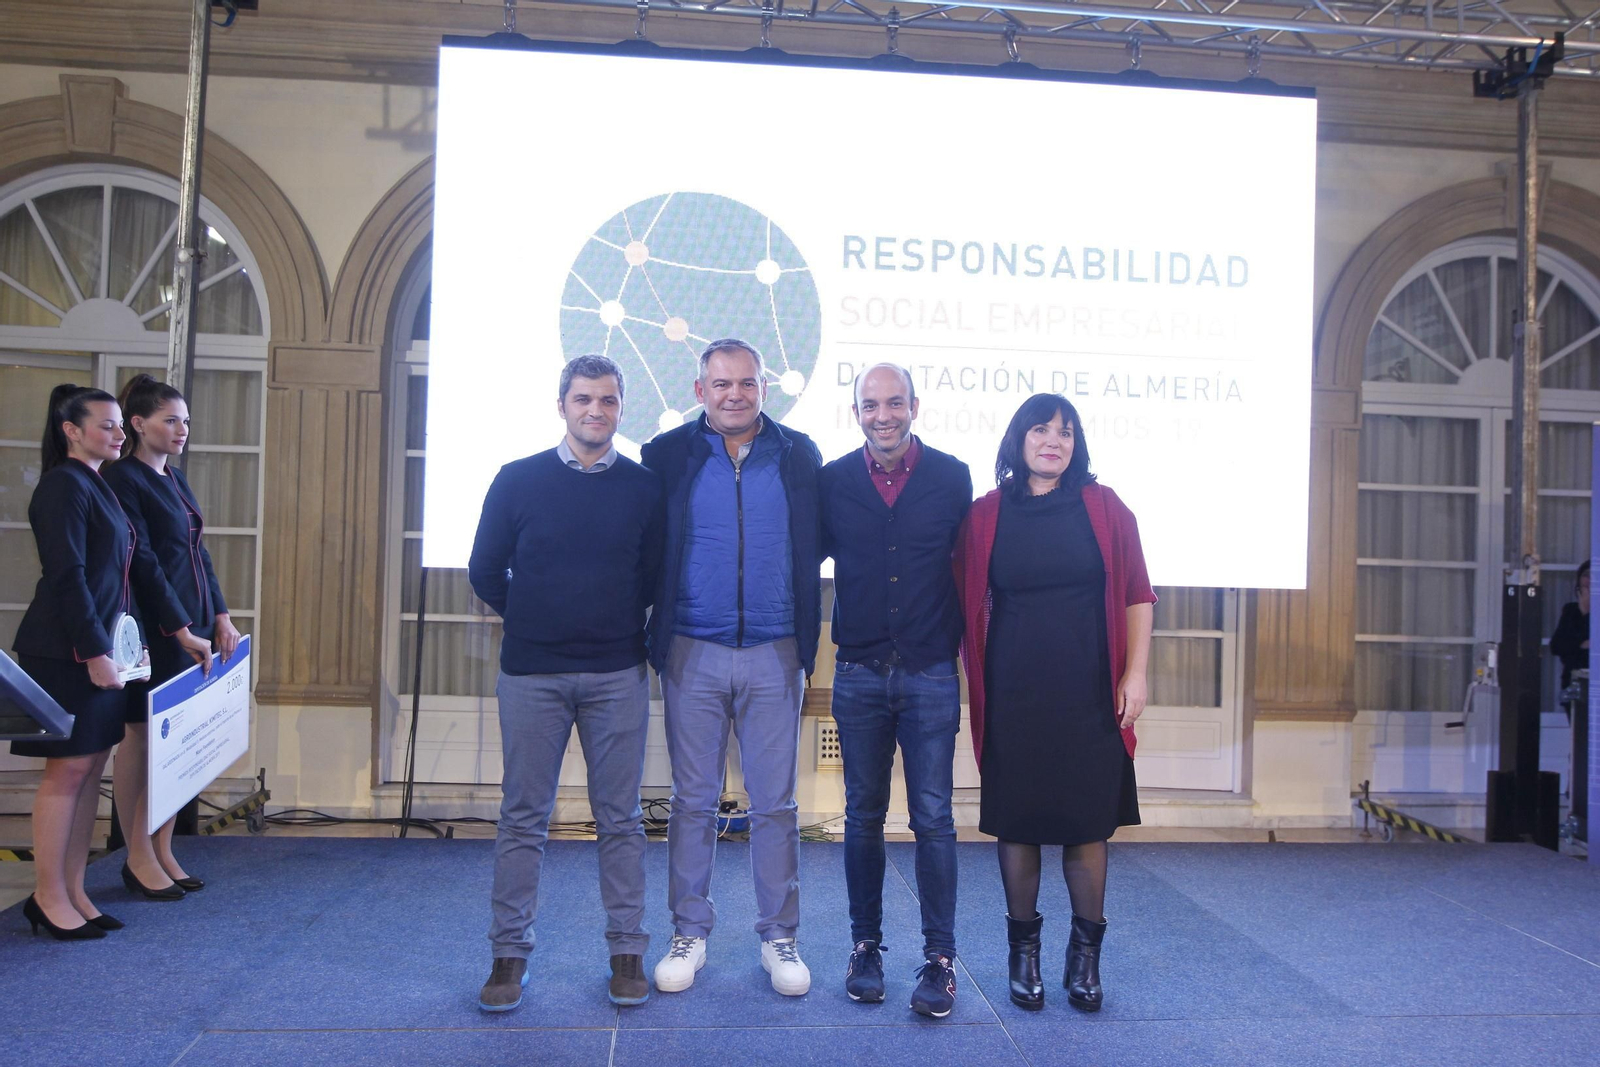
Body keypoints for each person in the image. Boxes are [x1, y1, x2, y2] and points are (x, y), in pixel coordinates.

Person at [467, 354, 665, 1012]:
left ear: (619, 408)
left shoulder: (643, 488)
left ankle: (627, 952)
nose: (595, 410)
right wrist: (534, 617)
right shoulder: (517, 480)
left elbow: (655, 577)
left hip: (617, 673)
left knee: (622, 819)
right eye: (583, 398)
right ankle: (508, 956)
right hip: (532, 673)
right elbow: (485, 569)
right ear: (562, 405)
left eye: (607, 400)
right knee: (523, 818)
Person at [952, 393, 1154, 1013]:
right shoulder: (985, 515)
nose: (1054, 441)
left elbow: (1138, 594)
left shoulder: (1105, 507)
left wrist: (1137, 673)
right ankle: (1025, 954)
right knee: (1018, 823)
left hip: (1090, 691)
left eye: (1066, 432)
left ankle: (1084, 959)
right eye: (1041, 429)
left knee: (1086, 826)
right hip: (1013, 694)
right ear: (1018, 439)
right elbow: (961, 604)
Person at [642, 338, 823, 997]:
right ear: (700, 391)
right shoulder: (664, 456)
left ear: (762, 388)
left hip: (776, 650)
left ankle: (780, 936)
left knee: (775, 803)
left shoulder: (801, 454)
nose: (734, 394)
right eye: (721, 384)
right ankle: (688, 932)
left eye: (746, 383)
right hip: (691, 650)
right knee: (692, 801)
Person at [13, 385, 211, 940]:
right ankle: (48, 894)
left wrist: (176, 633)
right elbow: (68, 577)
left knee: (87, 772)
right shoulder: (62, 486)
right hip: (65, 651)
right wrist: (95, 652)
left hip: (104, 649)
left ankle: (74, 890)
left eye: (120, 425)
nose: (118, 434)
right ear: (71, 430)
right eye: (105, 425)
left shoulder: (97, 483)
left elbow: (138, 569)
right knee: (67, 773)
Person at [820, 363, 971, 1017]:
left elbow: (972, 568)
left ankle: (940, 960)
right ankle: (866, 948)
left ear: (915, 404)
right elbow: (802, 564)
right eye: (870, 404)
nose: (883, 414)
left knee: (933, 818)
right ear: (856, 411)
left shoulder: (951, 476)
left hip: (932, 672)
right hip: (855, 674)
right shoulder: (831, 482)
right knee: (861, 816)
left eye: (894, 402)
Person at [103, 374, 234, 901]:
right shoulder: (123, 478)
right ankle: (136, 853)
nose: (182, 429)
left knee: (180, 745)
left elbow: (197, 551)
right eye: (170, 420)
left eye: (185, 421)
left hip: (194, 622)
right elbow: (144, 562)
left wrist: (221, 615)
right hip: (157, 626)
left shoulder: (176, 479)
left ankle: (161, 847)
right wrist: (178, 628)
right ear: (137, 423)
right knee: (142, 738)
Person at [1550, 560, 1590, 690]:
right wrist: (1582, 644)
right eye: (1586, 575)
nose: (1590, 580)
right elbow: (1557, 646)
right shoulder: (1571, 610)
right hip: (1574, 685)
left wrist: (1586, 613)